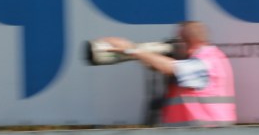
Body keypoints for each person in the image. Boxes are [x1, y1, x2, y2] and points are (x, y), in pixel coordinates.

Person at [101, 21, 236, 126]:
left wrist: (131, 50)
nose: (174, 46)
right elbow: (166, 67)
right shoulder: (211, 58)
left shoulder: (207, 61)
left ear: (186, 41)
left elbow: (170, 67)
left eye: (177, 41)